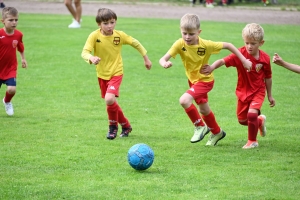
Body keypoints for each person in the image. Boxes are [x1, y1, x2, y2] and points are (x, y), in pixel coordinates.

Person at [159, 13, 252, 146]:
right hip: (193, 81)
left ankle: (200, 126)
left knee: (184, 100)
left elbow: (229, 45)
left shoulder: (206, 45)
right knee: (203, 110)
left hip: (205, 81)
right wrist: (164, 63)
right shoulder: (180, 44)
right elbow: (162, 58)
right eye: (184, 33)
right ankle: (217, 132)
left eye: (191, 34)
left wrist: (243, 60)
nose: (187, 37)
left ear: (198, 32)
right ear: (180, 30)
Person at [201, 23, 275, 149]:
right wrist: (212, 67)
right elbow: (223, 61)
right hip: (242, 92)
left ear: (261, 43)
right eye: (247, 43)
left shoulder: (265, 59)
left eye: (253, 43)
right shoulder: (240, 55)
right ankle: (260, 121)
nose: (249, 46)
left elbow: (268, 77)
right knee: (242, 120)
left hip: (258, 91)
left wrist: (270, 95)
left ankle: (252, 141)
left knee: (251, 114)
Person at [81, 8, 152, 140]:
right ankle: (126, 125)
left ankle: (112, 128)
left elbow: (135, 43)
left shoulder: (119, 36)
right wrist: (91, 58)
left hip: (116, 72)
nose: (110, 26)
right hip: (102, 74)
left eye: (112, 22)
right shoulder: (94, 36)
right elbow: (84, 52)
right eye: (106, 23)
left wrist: (146, 58)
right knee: (111, 101)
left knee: (109, 99)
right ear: (99, 24)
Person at [0, 7, 27, 116]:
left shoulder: (18, 35)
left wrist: (23, 58)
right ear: (3, 21)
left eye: (16, 20)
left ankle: (7, 101)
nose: (14, 22)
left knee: (12, 90)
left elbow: (20, 47)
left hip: (10, 67)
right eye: (10, 20)